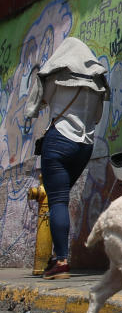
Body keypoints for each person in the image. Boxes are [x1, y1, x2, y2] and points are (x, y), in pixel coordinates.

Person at [24, 37, 109, 279]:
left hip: (60, 141)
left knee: (57, 200)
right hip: (85, 146)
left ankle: (60, 260)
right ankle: (56, 257)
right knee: (61, 198)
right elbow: (97, 117)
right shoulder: (97, 82)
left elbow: (43, 100)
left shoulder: (58, 75)